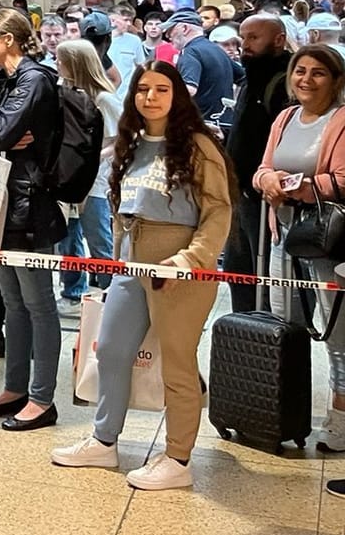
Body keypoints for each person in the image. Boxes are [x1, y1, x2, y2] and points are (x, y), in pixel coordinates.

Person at [53, 60, 232, 489]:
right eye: (143, 89)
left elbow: (218, 210)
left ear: (178, 96)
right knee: (112, 350)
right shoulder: (130, 143)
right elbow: (121, 206)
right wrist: (118, 257)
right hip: (132, 260)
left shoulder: (197, 145)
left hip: (180, 265)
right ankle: (103, 439)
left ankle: (178, 457)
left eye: (161, 89)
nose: (150, 97)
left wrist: (191, 259)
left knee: (177, 363)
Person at [0, 9, 67, 432]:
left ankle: (42, 398)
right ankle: (15, 387)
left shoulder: (33, 79)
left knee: (39, 304)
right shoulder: (3, 81)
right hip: (4, 203)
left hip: (29, 204)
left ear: (9, 38)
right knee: (13, 303)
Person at [256, 45, 345, 450]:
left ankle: (341, 418)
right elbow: (263, 168)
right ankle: (284, 412)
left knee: (336, 332)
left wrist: (301, 188)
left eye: (318, 73)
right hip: (283, 235)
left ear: (337, 80)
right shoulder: (285, 117)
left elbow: (342, 179)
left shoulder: (341, 121)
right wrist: (267, 181)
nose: (306, 79)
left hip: (326, 242)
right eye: (300, 71)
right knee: (284, 324)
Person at [224, 13, 293, 314]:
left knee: (264, 280)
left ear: (278, 40)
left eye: (254, 38)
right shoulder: (251, 76)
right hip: (239, 194)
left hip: (265, 199)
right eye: (243, 38)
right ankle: (241, 336)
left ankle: (263, 342)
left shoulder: (284, 83)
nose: (245, 45)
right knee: (238, 272)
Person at [55, 41, 124, 302]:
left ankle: (112, 293)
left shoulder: (104, 99)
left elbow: (123, 139)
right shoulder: (63, 91)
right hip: (67, 177)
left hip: (95, 181)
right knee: (69, 238)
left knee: (98, 240)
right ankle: (72, 289)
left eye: (61, 60)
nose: (58, 65)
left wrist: (94, 157)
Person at [161, 9, 235, 127]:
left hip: (204, 124)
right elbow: (243, 78)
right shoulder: (216, 50)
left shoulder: (190, 52)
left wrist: (161, 100)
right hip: (226, 123)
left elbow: (189, 89)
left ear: (184, 29)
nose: (167, 36)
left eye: (170, 30)